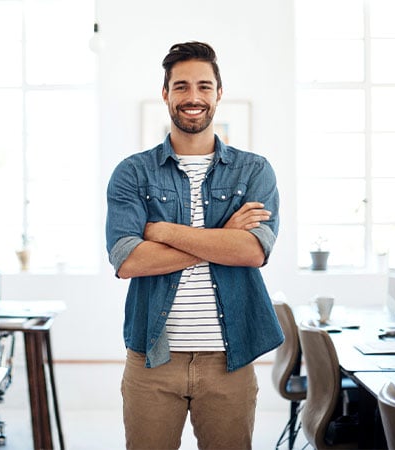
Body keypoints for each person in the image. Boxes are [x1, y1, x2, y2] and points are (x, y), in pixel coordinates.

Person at [105, 41, 284, 450]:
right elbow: (129, 260)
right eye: (181, 86)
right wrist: (224, 235)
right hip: (152, 359)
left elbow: (252, 252)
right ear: (166, 94)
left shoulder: (254, 170)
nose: (193, 97)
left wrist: (162, 231)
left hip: (230, 358)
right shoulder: (133, 172)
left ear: (219, 94)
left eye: (204, 86)